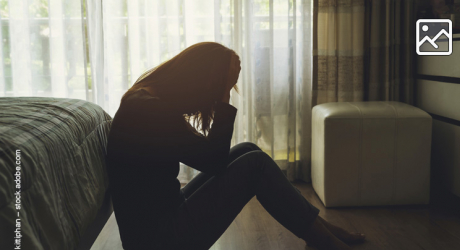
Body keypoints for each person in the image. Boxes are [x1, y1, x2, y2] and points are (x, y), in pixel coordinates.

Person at [105, 42, 366, 250]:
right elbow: (214, 161)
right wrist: (223, 97)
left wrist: (222, 86)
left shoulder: (146, 100)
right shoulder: (150, 110)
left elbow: (208, 158)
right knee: (256, 165)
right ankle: (326, 239)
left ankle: (317, 229)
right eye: (217, 87)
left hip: (160, 223)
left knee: (247, 149)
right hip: (160, 240)